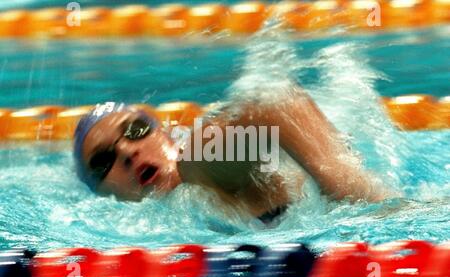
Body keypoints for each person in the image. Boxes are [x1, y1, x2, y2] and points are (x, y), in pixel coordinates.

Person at [74, 86, 389, 225]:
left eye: (134, 131)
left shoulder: (195, 165)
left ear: (163, 132)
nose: (128, 151)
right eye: (103, 161)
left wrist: (347, 188)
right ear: (99, 193)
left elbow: (273, 100)